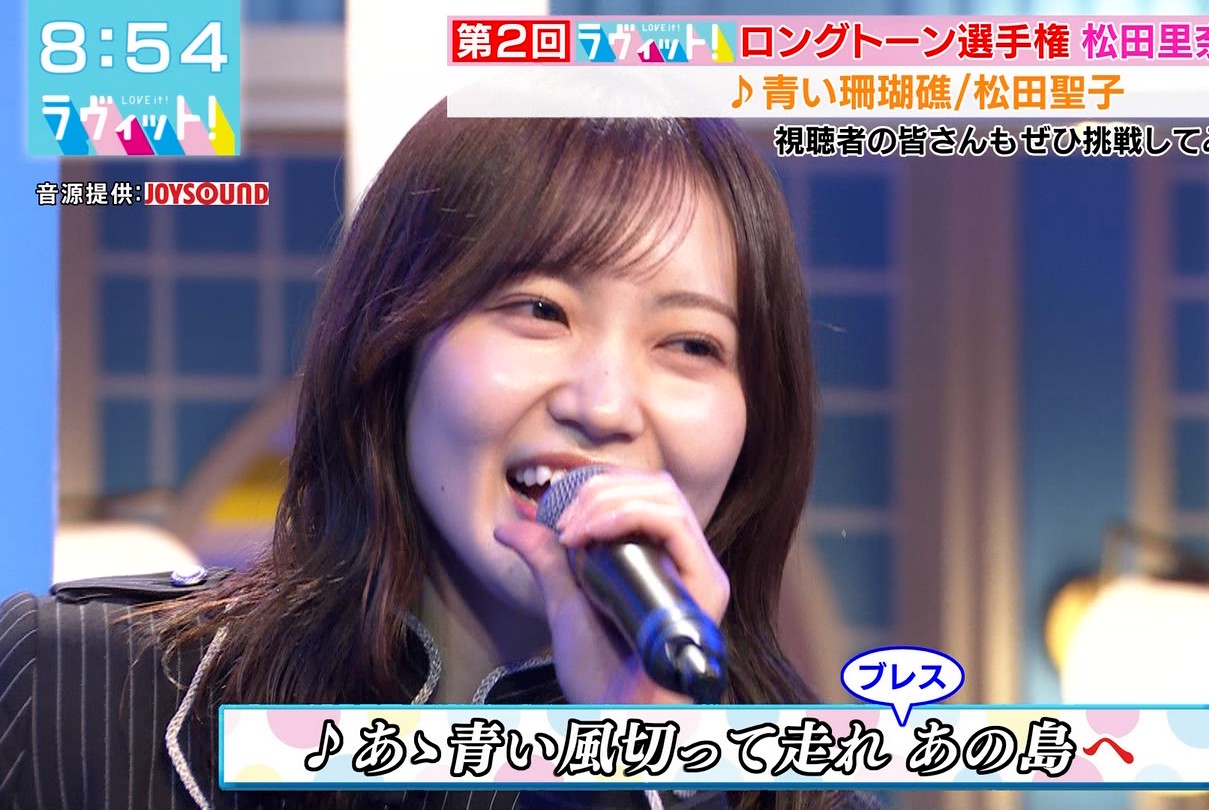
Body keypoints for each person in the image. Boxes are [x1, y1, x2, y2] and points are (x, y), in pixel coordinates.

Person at [0, 108, 874, 810]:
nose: (604, 405)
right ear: (395, 338)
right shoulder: (68, 682)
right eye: (540, 308)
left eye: (690, 343)